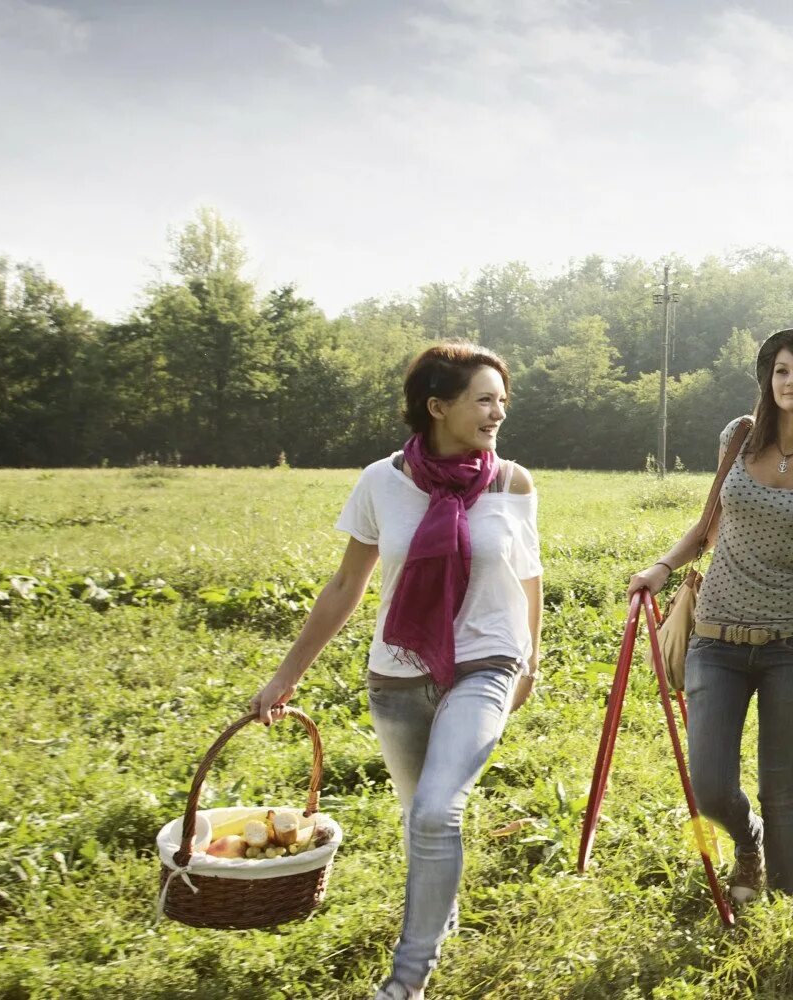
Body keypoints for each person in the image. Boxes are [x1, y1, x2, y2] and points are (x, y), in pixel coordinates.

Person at [250, 342, 543, 1000]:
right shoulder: (382, 481)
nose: (498, 411)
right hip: (399, 675)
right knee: (422, 819)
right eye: (484, 399)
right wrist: (285, 674)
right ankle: (442, 914)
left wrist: (532, 659)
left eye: (503, 398)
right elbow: (346, 585)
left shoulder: (511, 482)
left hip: (486, 663)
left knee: (438, 813)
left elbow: (530, 577)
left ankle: (406, 981)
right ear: (438, 407)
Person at [627, 328, 793, 903]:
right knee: (709, 787)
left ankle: (782, 900)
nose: (791, 381)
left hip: (790, 643)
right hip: (715, 638)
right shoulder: (738, 439)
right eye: (781, 370)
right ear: (769, 379)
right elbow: (709, 525)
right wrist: (662, 566)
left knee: (781, 786)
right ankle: (747, 840)